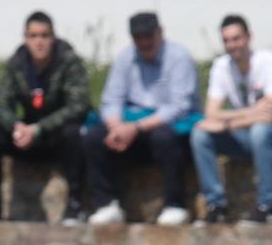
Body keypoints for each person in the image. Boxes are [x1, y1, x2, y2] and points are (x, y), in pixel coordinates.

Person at [192, 16, 272, 225]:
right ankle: (216, 205)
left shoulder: (271, 63)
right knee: (201, 134)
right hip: (251, 135)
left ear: (248, 37)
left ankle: (268, 206)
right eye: (227, 40)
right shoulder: (221, 66)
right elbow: (211, 112)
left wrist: (228, 123)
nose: (232, 45)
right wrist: (251, 112)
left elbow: (269, 116)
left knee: (260, 131)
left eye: (236, 39)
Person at [0, 11, 88, 224]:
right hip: (26, 136)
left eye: (44, 36)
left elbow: (78, 105)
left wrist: (39, 128)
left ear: (53, 37)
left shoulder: (69, 62)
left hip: (55, 135)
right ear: (25, 38)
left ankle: (74, 205)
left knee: (74, 134)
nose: (39, 42)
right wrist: (15, 126)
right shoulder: (18, 63)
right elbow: (0, 104)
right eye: (33, 36)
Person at [84, 12, 198, 226]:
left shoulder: (179, 57)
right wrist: (116, 127)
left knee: (164, 138)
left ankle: (175, 204)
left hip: (166, 126)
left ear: (160, 33)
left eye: (149, 36)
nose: (144, 42)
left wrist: (135, 127)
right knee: (93, 137)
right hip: (129, 127)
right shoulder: (125, 58)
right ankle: (107, 204)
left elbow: (179, 107)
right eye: (139, 38)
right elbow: (111, 100)